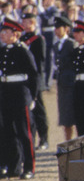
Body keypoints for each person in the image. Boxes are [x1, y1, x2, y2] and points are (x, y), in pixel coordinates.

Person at [0, 19, 38, 179]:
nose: (2, 34)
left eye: (6, 32)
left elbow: (34, 74)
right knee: (7, 132)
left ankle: (29, 167)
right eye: (2, 31)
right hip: (5, 93)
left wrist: (32, 97)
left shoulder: (22, 51)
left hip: (20, 94)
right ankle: (12, 167)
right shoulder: (2, 51)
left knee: (24, 132)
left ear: (15, 34)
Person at [20, 12, 49, 150]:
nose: (25, 24)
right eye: (23, 22)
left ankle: (44, 138)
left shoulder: (38, 39)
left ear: (33, 23)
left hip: (35, 78)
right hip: (24, 79)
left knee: (39, 110)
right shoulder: (21, 38)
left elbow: (40, 62)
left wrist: (37, 80)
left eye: (27, 22)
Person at [52, 15, 77, 141]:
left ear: (66, 29)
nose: (56, 30)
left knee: (74, 115)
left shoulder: (71, 44)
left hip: (72, 84)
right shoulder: (57, 45)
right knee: (65, 117)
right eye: (55, 28)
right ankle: (68, 141)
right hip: (62, 84)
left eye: (58, 27)